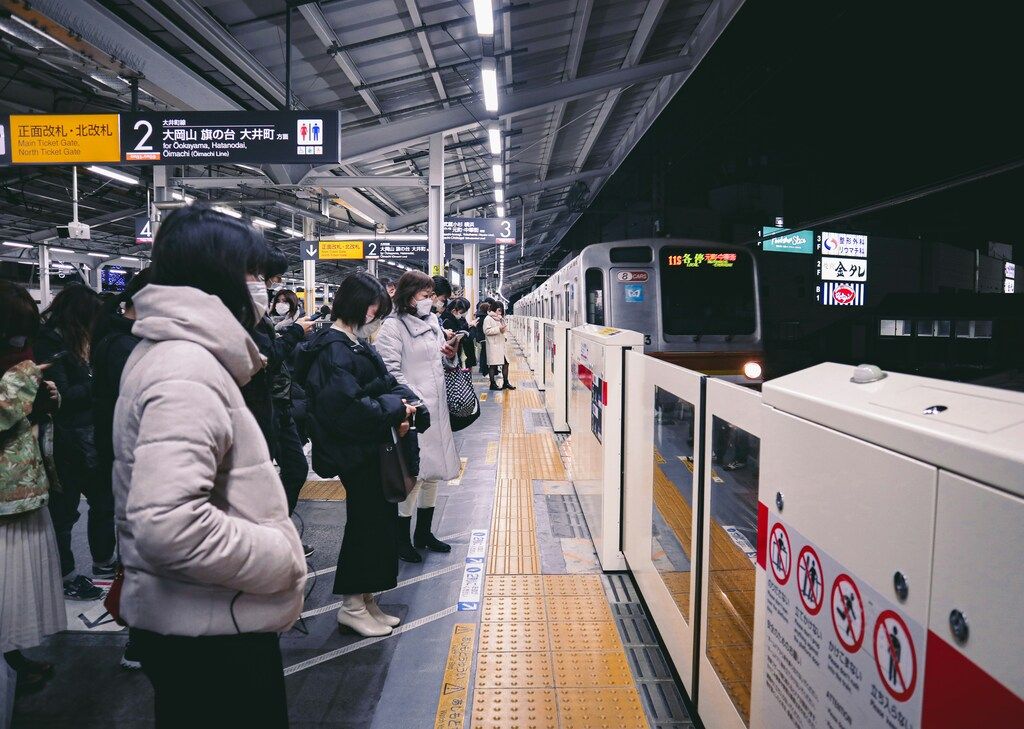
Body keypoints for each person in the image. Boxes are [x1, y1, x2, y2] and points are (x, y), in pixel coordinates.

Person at [112, 204, 306, 727]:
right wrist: (281, 556)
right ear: (218, 274)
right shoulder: (186, 370)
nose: (263, 288)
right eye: (255, 274)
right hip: (213, 634)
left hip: (206, 619)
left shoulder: (180, 357)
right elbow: (169, 526)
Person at [293, 271, 418, 636]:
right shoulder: (333, 348)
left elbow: (382, 383)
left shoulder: (352, 342)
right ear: (357, 305)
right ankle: (350, 604)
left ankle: (367, 600)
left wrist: (402, 401)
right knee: (365, 525)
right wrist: (396, 408)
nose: (376, 316)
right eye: (374, 308)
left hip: (369, 447)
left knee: (377, 522)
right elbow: (349, 408)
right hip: (355, 452)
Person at [0, 281, 66, 696]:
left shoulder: (19, 362)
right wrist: (24, 385)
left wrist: (47, 399)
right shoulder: (19, 368)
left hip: (20, 489)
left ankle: (12, 660)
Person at [90, 268, 152, 670]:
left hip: (132, 456)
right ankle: (140, 640)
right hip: (132, 458)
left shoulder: (120, 337)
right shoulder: (121, 345)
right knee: (140, 550)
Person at [376, 271, 461, 563]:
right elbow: (389, 371)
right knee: (413, 474)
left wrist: (450, 354)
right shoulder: (392, 327)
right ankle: (401, 539)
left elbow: (438, 359)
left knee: (433, 474)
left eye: (430, 296)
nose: (430, 301)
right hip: (413, 411)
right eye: (425, 296)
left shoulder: (434, 322)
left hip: (436, 411)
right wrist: (414, 400)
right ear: (408, 295)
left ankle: (423, 533)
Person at [34, 284, 110, 600]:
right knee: (64, 514)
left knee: (104, 502)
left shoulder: (80, 344)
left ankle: (103, 563)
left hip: (89, 437)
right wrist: (98, 383)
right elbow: (61, 398)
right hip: (63, 441)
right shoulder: (51, 346)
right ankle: (65, 576)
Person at [249, 248, 314, 535]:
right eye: (271, 279)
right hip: (260, 405)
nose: (272, 287)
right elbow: (270, 355)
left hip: (278, 403)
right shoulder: (243, 314)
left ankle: (278, 528)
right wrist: (297, 332)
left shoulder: (257, 314)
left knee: (296, 468)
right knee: (259, 476)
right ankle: (267, 533)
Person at [483, 302, 515, 391]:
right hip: (493, 345)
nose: (500, 311)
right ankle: (492, 384)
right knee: (492, 365)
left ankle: (506, 382)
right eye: (498, 309)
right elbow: (486, 331)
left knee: (506, 363)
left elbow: (504, 329)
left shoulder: (500, 319)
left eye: (501, 309)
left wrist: (503, 329)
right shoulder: (488, 318)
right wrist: (498, 329)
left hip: (501, 345)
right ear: (494, 308)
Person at [475, 301, 491, 376]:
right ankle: (484, 369)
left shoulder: (479, 317)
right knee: (484, 354)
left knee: (482, 353)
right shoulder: (485, 318)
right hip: (484, 338)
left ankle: (482, 368)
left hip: (480, 338)